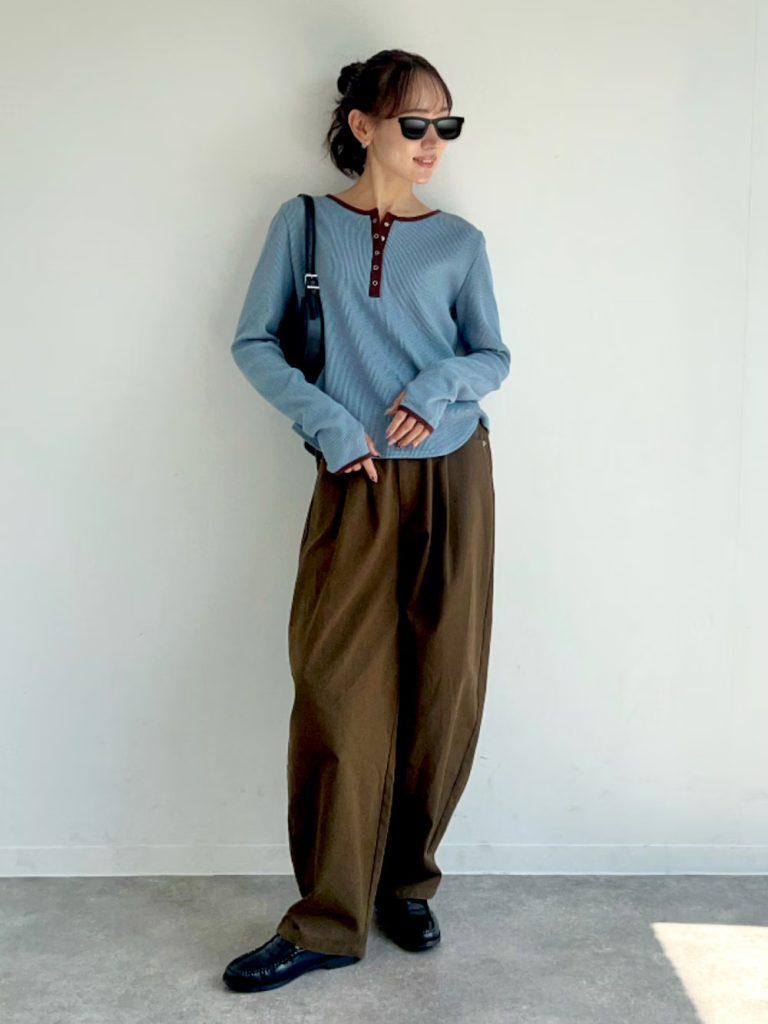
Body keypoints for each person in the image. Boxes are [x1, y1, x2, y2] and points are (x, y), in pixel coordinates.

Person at [222, 47, 510, 993]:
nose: (432, 142)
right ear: (362, 125)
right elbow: (255, 342)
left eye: (445, 125)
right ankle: (327, 918)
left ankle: (406, 884)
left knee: (443, 690)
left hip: (455, 478)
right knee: (337, 691)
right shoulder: (304, 225)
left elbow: (492, 355)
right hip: (355, 479)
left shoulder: (459, 242)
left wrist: (438, 386)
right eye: (414, 124)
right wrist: (331, 424)